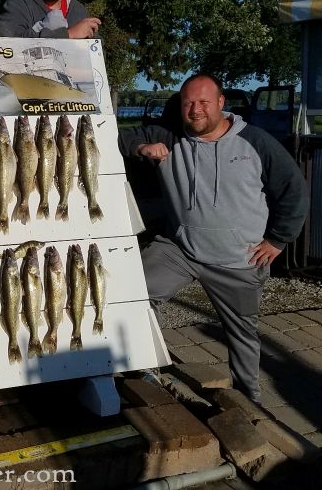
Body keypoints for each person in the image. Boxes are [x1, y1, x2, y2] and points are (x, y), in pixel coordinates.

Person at [118, 73, 308, 403]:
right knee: (132, 293)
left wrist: (278, 240)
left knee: (242, 334)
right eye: (188, 102)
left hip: (239, 258)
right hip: (181, 249)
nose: (196, 110)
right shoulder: (167, 135)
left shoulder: (256, 142)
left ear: (221, 103)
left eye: (204, 102)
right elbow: (117, 139)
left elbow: (294, 191)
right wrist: (140, 146)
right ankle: (146, 367)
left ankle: (250, 401)